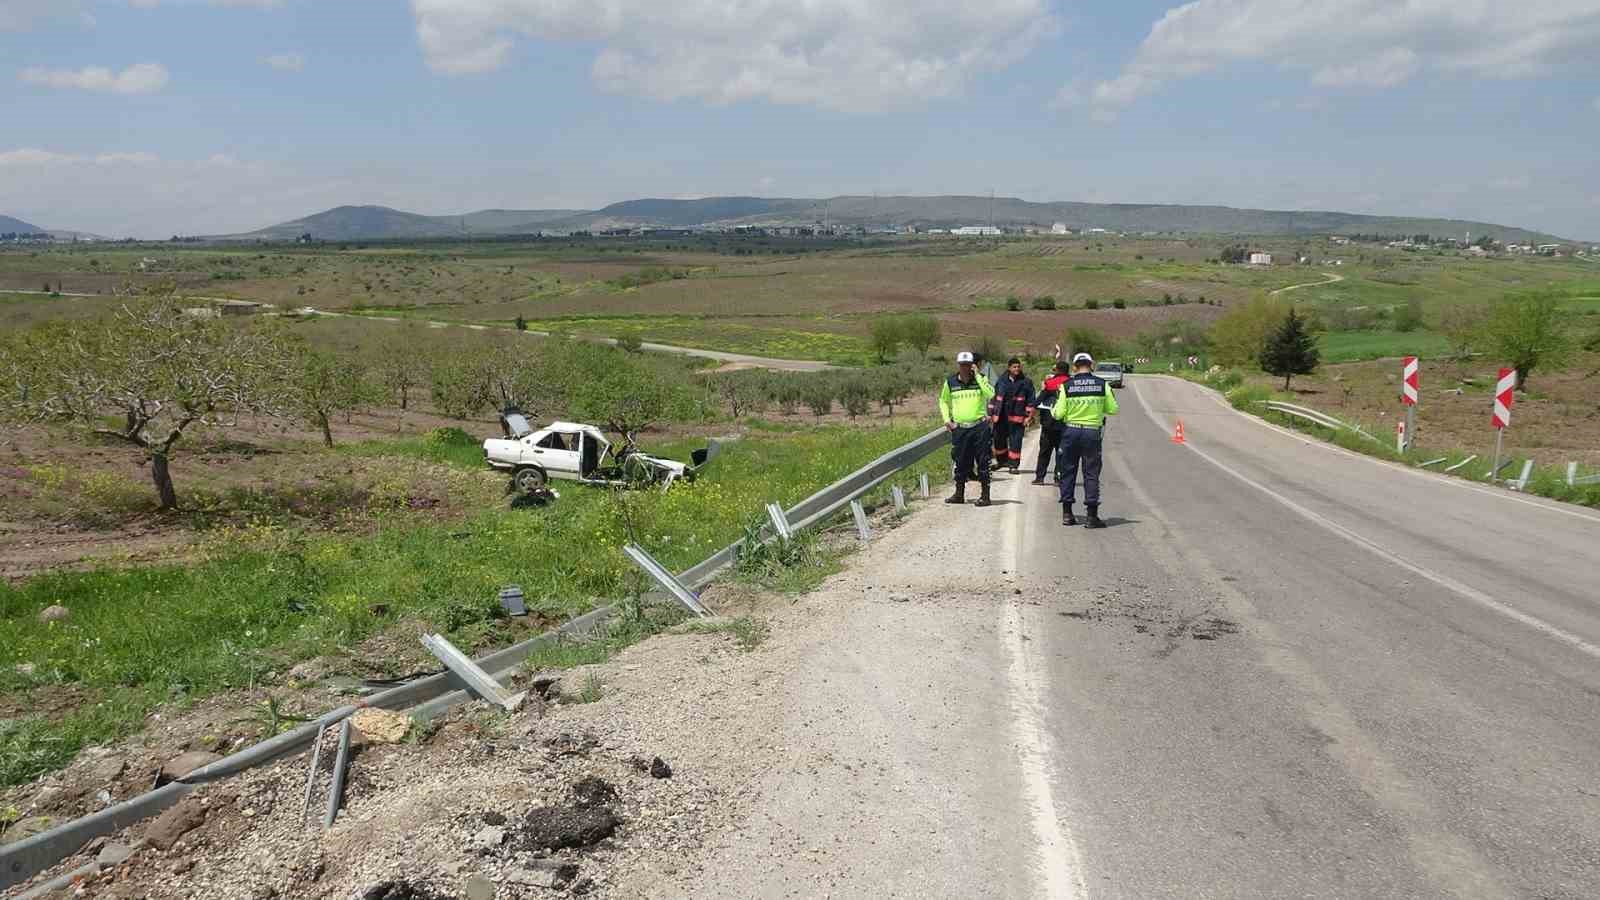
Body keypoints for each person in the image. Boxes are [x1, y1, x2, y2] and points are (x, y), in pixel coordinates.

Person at [1052, 351, 1118, 528]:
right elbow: (1113, 409)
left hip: (1071, 431)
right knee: (1091, 473)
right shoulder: (1102, 385)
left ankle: (1067, 514)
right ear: (1092, 365)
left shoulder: (1066, 386)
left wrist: (1054, 410)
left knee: (1068, 471)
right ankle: (1091, 516)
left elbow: (1058, 414)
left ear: (1074, 367)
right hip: (1092, 433)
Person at [939, 350, 996, 507]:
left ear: (973, 365)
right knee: (960, 461)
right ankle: (959, 494)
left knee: (983, 461)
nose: (965, 368)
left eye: (968, 364)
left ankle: (985, 496)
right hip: (961, 429)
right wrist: (947, 420)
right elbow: (943, 401)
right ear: (958, 365)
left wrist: (978, 376)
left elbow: (991, 394)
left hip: (979, 427)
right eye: (962, 365)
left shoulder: (981, 379)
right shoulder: (950, 382)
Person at [989, 357, 1035, 474]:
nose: (1017, 369)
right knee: (999, 440)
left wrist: (1029, 417)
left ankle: (1013, 465)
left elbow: (1031, 400)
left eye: (1018, 367)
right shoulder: (1001, 381)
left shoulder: (1026, 382)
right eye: (1014, 367)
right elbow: (994, 397)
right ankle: (1002, 461)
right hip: (1001, 416)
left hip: (1017, 416)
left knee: (1015, 441)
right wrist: (991, 413)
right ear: (1009, 368)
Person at [1032, 349, 1072, 485]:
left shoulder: (1050, 383)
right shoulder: (1071, 383)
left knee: (1044, 452)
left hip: (1048, 424)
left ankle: (1040, 478)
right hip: (1065, 424)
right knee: (1062, 453)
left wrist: (1031, 412)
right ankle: (1058, 478)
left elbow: (1038, 400)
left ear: (1057, 370)